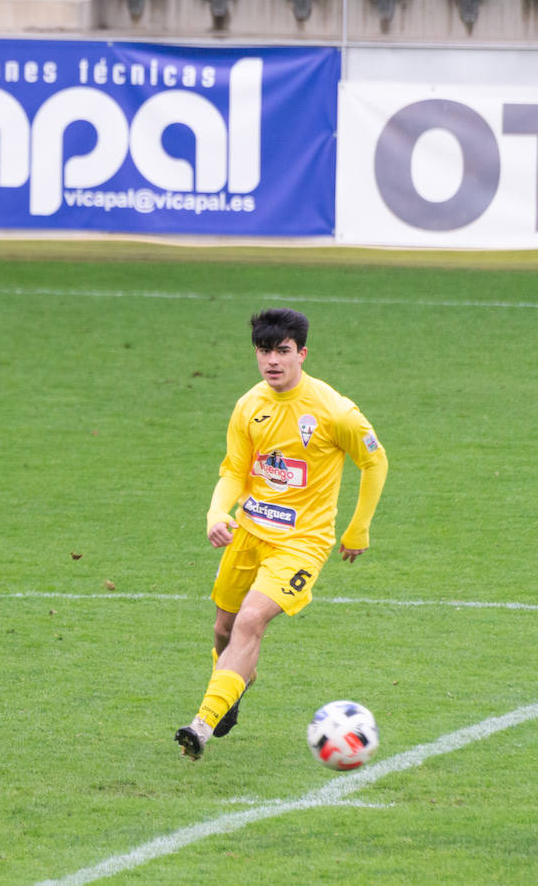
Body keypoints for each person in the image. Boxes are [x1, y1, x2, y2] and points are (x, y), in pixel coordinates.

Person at [175, 308, 389, 760]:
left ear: (302, 353)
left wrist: (359, 528)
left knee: (251, 621)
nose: (272, 360)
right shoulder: (249, 405)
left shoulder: (334, 411)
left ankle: (202, 723)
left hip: (302, 543)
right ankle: (232, 689)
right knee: (224, 630)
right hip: (248, 533)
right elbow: (234, 470)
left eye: (283, 351)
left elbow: (375, 460)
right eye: (264, 350)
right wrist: (217, 512)